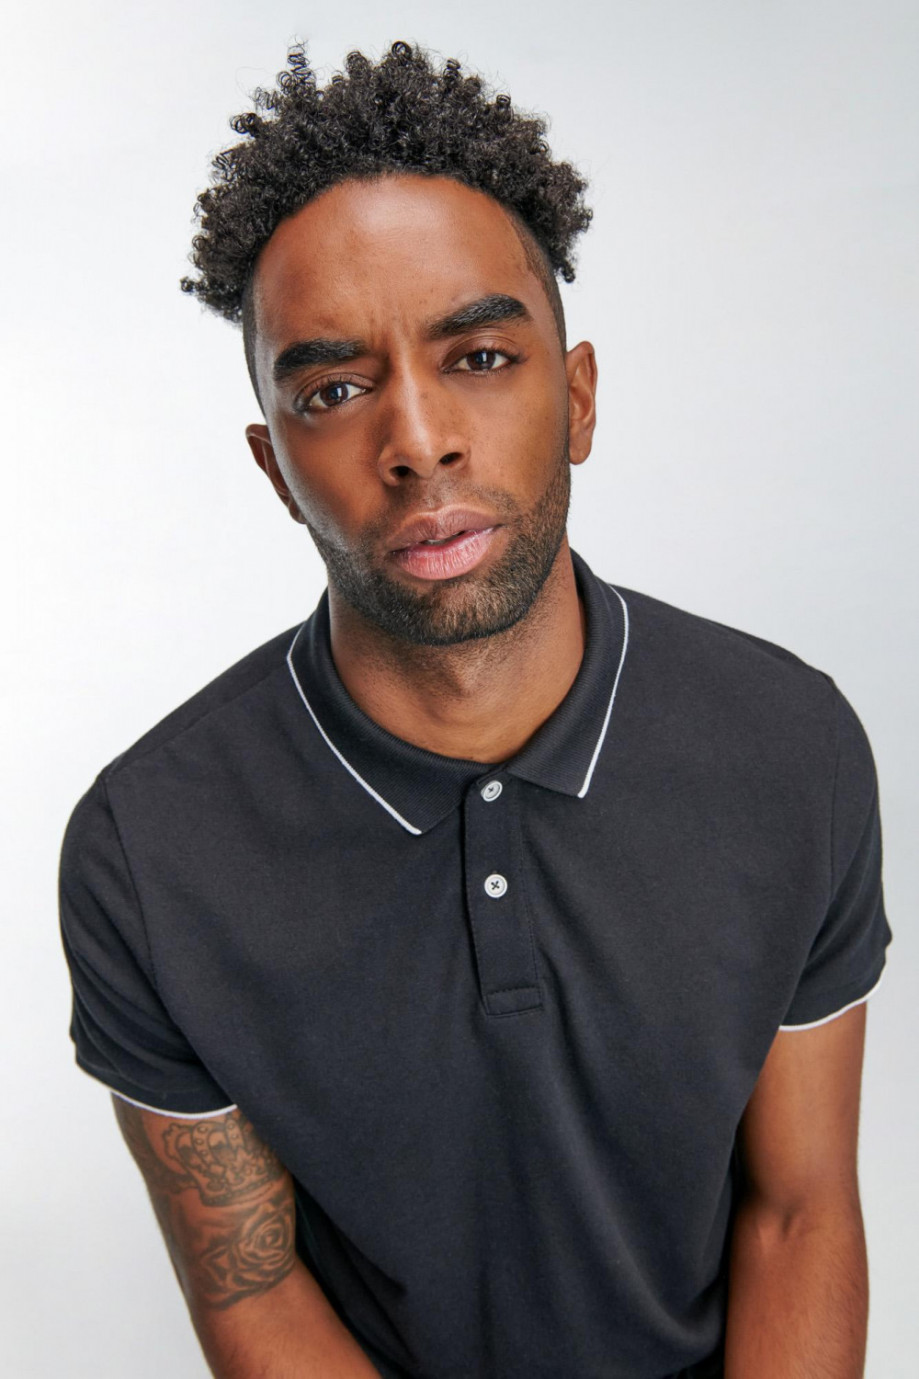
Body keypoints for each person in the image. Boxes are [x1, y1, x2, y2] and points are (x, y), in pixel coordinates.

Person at [58, 40, 892, 1379]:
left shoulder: (793, 749)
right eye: (334, 390)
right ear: (275, 467)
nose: (418, 441)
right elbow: (252, 1293)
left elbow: (798, 1216)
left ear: (580, 397)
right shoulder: (147, 854)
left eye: (483, 355)